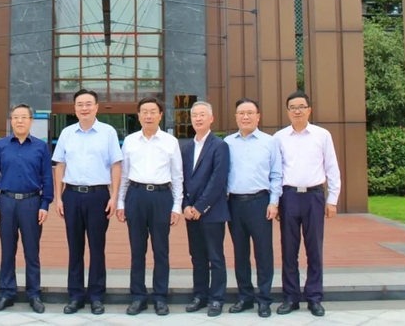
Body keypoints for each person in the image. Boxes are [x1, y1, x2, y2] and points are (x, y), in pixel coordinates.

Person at [53, 88, 122, 316]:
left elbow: (116, 165)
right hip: (71, 195)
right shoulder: (67, 133)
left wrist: (114, 197)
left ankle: (96, 296)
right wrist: (59, 197)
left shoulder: (108, 132)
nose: (84, 108)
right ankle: (75, 296)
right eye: (80, 104)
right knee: (75, 248)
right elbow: (59, 165)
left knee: (97, 247)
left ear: (96, 107)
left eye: (88, 104)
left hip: (98, 196)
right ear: (74, 108)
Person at [274, 91, 341, 318]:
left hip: (314, 196)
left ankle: (314, 297)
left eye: (301, 107)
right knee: (289, 249)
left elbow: (332, 168)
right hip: (289, 196)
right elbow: (275, 172)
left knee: (314, 249)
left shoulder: (322, 135)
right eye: (293, 107)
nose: (297, 111)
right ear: (287, 111)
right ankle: (291, 297)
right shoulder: (279, 138)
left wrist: (332, 200)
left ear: (309, 110)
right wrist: (275, 201)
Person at [116, 97, 183, 316]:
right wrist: (120, 202)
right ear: (138, 115)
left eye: (153, 111)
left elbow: (177, 176)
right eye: (144, 111)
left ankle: (160, 297)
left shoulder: (170, 141)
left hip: (162, 197)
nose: (148, 116)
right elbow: (124, 174)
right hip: (136, 195)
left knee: (161, 249)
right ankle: (138, 296)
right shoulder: (130, 141)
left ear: (160, 115)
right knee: (137, 249)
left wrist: (177, 206)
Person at [0, 103, 54, 314]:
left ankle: (34, 294)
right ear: (11, 121)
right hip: (6, 202)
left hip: (31, 203)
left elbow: (47, 177)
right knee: (7, 250)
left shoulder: (40, 147)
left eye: (24, 117)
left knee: (32, 252)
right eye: (16, 117)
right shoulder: (1, 145)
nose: (20, 120)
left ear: (31, 121)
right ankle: (7, 293)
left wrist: (45, 204)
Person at [224, 98, 282, 319]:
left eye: (250, 112)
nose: (245, 117)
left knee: (263, 253)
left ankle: (264, 299)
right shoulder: (227, 143)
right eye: (241, 113)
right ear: (236, 117)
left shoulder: (269, 142)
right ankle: (245, 296)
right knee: (240, 253)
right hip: (234, 203)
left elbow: (276, 174)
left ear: (258, 116)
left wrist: (274, 202)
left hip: (260, 202)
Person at [181, 101, 230, 317]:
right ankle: (199, 295)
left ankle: (217, 298)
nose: (198, 119)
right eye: (195, 115)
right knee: (197, 256)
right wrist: (185, 205)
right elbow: (181, 179)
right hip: (191, 213)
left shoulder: (219, 146)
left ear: (211, 118)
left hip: (212, 212)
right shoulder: (186, 147)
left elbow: (218, 179)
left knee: (215, 257)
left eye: (202, 115)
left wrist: (200, 206)